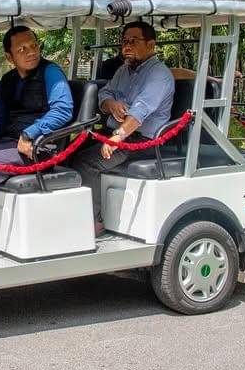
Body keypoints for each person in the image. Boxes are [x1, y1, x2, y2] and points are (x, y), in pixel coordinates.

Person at [0, 26, 74, 262]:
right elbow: (0, 118)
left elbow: (64, 110)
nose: (31, 52)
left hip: (39, 147)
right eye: (22, 49)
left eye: (33, 46)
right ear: (10, 57)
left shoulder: (50, 72)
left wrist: (30, 133)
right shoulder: (9, 80)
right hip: (10, 143)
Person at [69, 21, 174, 233]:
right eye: (124, 41)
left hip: (142, 141)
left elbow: (140, 112)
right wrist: (111, 105)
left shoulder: (159, 75)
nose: (126, 46)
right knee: (67, 153)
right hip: (115, 133)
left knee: (87, 163)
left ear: (151, 44)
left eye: (133, 41)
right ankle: (71, 213)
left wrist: (117, 137)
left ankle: (94, 222)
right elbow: (104, 94)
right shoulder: (123, 71)